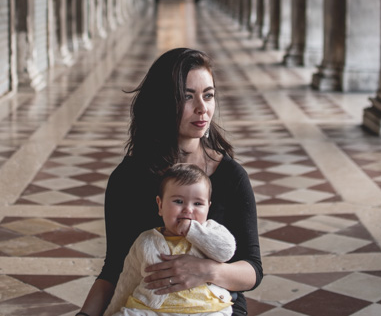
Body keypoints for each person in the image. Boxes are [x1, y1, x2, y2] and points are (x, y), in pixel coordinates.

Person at [76, 48, 263, 316]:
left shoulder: (231, 176)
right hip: (147, 307)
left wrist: (206, 271)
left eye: (208, 95)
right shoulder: (128, 178)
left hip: (214, 308)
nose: (202, 108)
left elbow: (253, 269)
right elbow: (115, 267)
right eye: (187, 97)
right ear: (163, 102)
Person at [105, 163, 236, 316]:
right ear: (160, 205)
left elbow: (226, 252)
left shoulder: (212, 230)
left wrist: (193, 231)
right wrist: (111, 311)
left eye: (198, 204)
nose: (188, 209)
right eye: (178, 201)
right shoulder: (146, 241)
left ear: (208, 207)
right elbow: (127, 281)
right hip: (150, 309)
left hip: (206, 309)